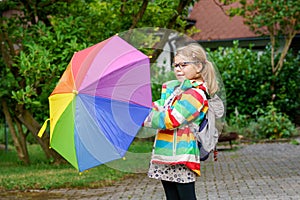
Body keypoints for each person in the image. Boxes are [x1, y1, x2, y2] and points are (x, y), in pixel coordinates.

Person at [143, 43, 219, 200]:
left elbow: (172, 119)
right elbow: (158, 106)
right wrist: (134, 109)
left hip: (182, 155)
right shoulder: (176, 91)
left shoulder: (196, 94)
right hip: (166, 153)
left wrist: (143, 118)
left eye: (183, 65)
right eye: (175, 65)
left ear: (198, 66)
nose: (178, 69)